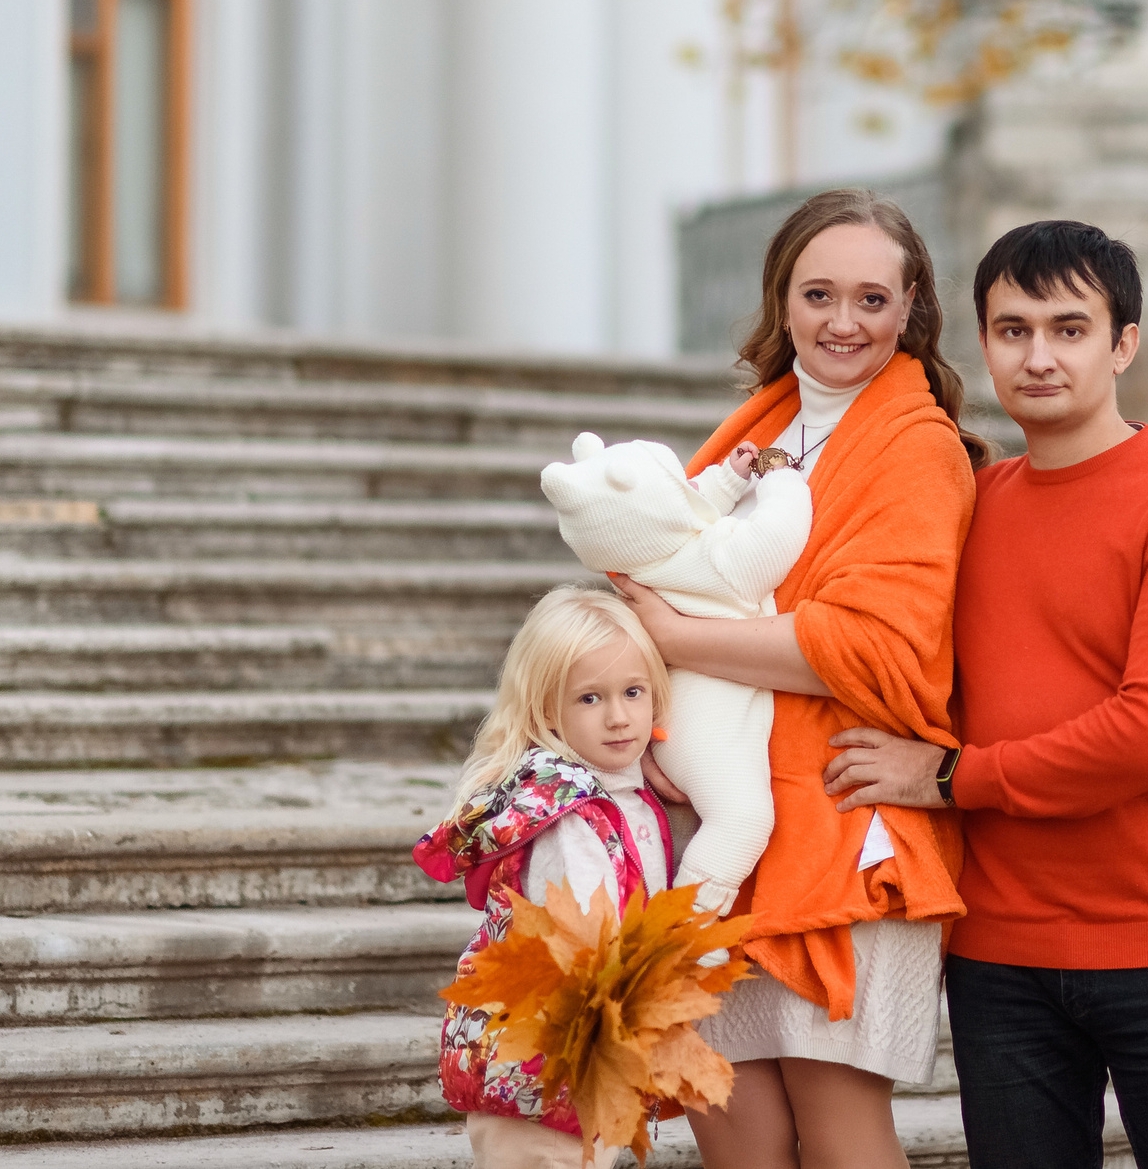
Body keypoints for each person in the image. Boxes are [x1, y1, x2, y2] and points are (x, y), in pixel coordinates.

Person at [822, 219, 1148, 1169]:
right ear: (981, 342)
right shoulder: (969, 502)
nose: (1038, 355)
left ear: (1124, 344)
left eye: (1070, 329)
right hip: (1000, 959)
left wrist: (949, 778)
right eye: (1012, 329)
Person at [615, 188, 986, 1169]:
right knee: (727, 1121)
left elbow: (872, 645)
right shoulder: (761, 426)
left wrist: (674, 635)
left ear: (909, 307)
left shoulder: (919, 449)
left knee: (837, 1131)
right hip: (725, 830)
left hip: (844, 827)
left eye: (872, 297)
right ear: (782, 299)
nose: (843, 320)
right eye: (818, 293)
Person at [412, 584, 678, 1169]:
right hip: (544, 1064)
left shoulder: (626, 794)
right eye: (589, 698)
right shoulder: (565, 815)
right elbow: (586, 934)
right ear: (544, 709)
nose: (617, 716)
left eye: (633, 692)